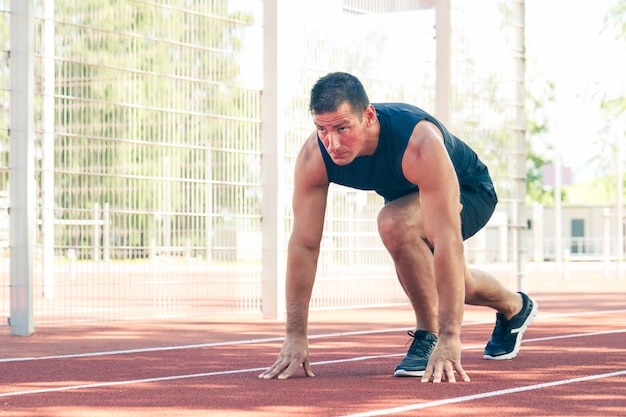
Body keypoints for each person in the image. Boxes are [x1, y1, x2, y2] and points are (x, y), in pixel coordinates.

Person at [258, 72, 538, 383]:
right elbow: (304, 244)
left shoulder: (419, 142)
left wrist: (449, 336)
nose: (332, 143)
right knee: (460, 282)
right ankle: (514, 305)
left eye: (342, 128)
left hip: (469, 191)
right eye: (321, 129)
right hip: (410, 198)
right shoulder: (315, 156)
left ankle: (427, 334)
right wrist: (295, 334)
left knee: (394, 223)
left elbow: (447, 242)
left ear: (368, 116)